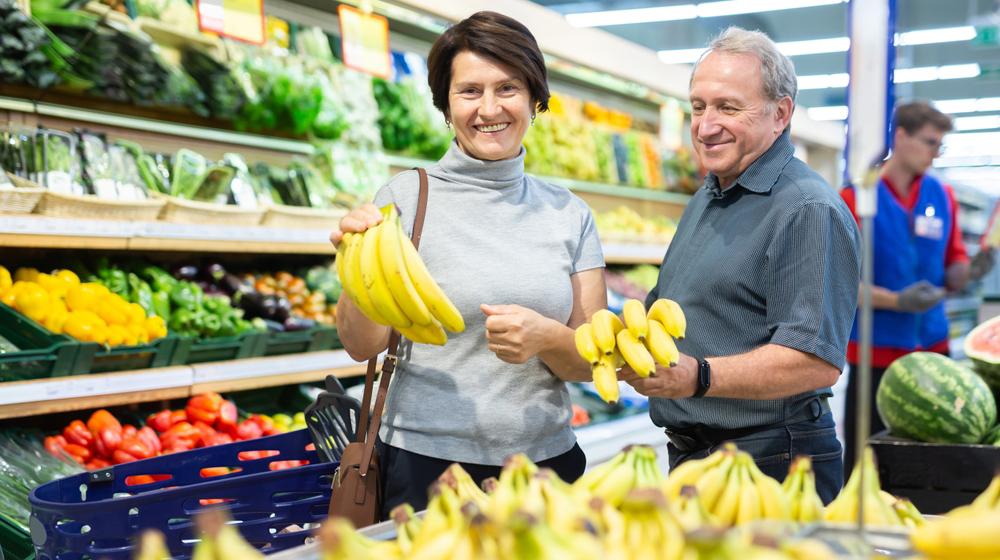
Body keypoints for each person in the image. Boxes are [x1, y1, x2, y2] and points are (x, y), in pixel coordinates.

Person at [329, 11, 606, 518]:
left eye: (508, 88)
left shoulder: (569, 213)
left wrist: (547, 338)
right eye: (469, 91)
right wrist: (352, 260)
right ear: (445, 104)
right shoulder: (406, 197)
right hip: (424, 467)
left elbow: (591, 363)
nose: (490, 108)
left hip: (544, 466)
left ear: (534, 99)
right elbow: (359, 345)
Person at [619, 27, 861, 503]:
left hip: (771, 459)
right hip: (698, 456)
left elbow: (813, 361)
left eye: (728, 107)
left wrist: (698, 375)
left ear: (781, 113)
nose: (706, 125)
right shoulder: (709, 197)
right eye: (698, 106)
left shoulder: (807, 209)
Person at [839, 101, 996, 473]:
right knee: (867, 460)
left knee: (929, 464)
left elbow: (953, 265)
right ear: (900, 136)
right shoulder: (856, 197)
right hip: (875, 354)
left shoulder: (942, 197)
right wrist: (895, 300)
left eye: (940, 145)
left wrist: (970, 270)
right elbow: (840, 282)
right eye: (929, 142)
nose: (934, 153)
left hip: (932, 349)